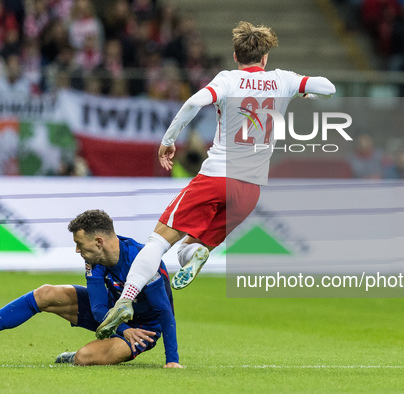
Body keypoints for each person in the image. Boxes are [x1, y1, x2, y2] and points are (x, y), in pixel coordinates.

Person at [95, 21, 336, 338]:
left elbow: (194, 102)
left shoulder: (229, 79)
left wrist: (168, 140)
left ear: (236, 56)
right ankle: (192, 254)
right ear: (264, 59)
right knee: (192, 245)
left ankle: (126, 301)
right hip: (249, 191)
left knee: (158, 241)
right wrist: (305, 93)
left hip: (217, 178)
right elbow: (328, 87)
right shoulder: (284, 80)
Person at [0, 210, 182, 368]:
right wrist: (122, 327)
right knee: (46, 292)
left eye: (80, 244)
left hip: (143, 329)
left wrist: (172, 360)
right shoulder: (93, 261)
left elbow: (164, 310)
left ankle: (74, 358)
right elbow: (98, 309)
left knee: (85, 357)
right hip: (114, 315)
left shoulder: (142, 260)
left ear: (98, 242)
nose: (77, 250)